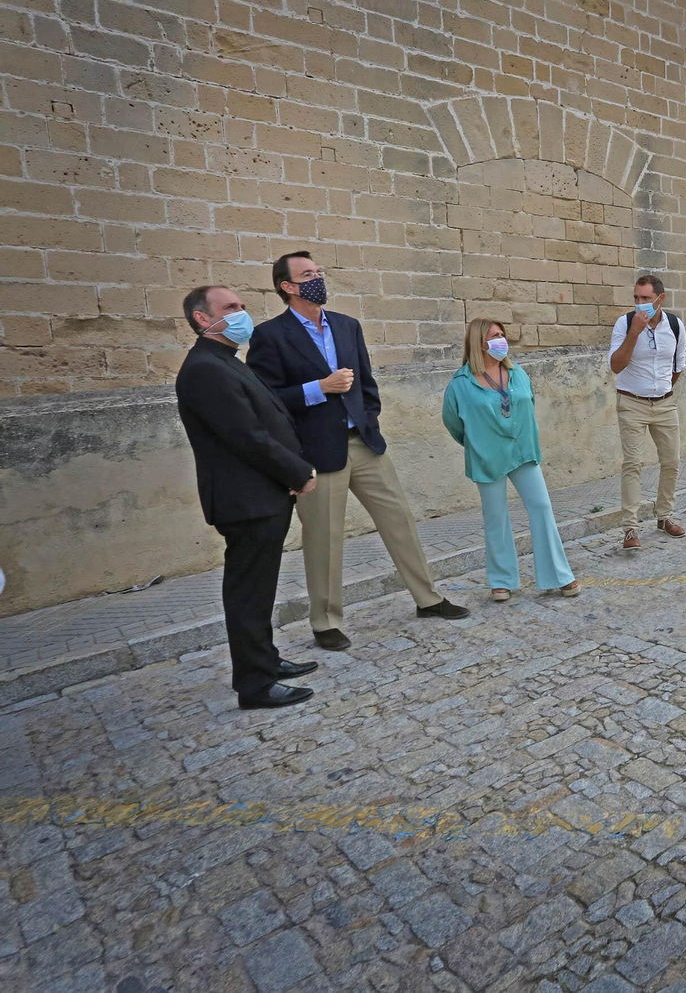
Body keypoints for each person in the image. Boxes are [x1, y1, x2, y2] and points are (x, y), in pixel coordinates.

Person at [246, 252, 468, 650]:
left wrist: (370, 420)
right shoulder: (271, 335)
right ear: (287, 286)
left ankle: (428, 598)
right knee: (324, 538)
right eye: (308, 274)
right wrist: (320, 389)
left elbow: (366, 383)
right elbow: (266, 401)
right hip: (315, 453)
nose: (318, 278)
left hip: (363, 445)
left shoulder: (347, 326)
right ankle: (325, 620)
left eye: (319, 272)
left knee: (399, 519)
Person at [174, 286, 320, 709]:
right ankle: (256, 685)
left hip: (263, 494)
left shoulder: (225, 360)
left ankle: (266, 661)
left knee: (259, 590)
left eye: (242, 306)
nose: (242, 314)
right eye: (231, 308)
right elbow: (247, 436)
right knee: (248, 594)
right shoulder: (205, 368)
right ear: (203, 319)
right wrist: (297, 472)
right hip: (247, 499)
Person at [443, 319, 581, 602]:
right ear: (479, 341)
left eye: (502, 335)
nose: (501, 340)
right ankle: (501, 580)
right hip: (487, 456)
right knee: (495, 517)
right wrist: (477, 443)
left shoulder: (517, 373)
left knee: (541, 506)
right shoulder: (461, 383)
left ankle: (559, 575)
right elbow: (453, 422)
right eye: (495, 335)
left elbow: (528, 405)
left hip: (523, 451)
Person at [607, 274, 686, 550]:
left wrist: (662, 390)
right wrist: (634, 333)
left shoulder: (675, 326)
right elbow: (616, 366)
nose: (640, 304)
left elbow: (678, 367)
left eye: (646, 299)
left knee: (672, 462)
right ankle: (630, 528)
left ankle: (664, 517)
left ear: (660, 299)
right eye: (636, 298)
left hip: (665, 403)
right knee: (633, 464)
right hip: (631, 403)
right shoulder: (625, 323)